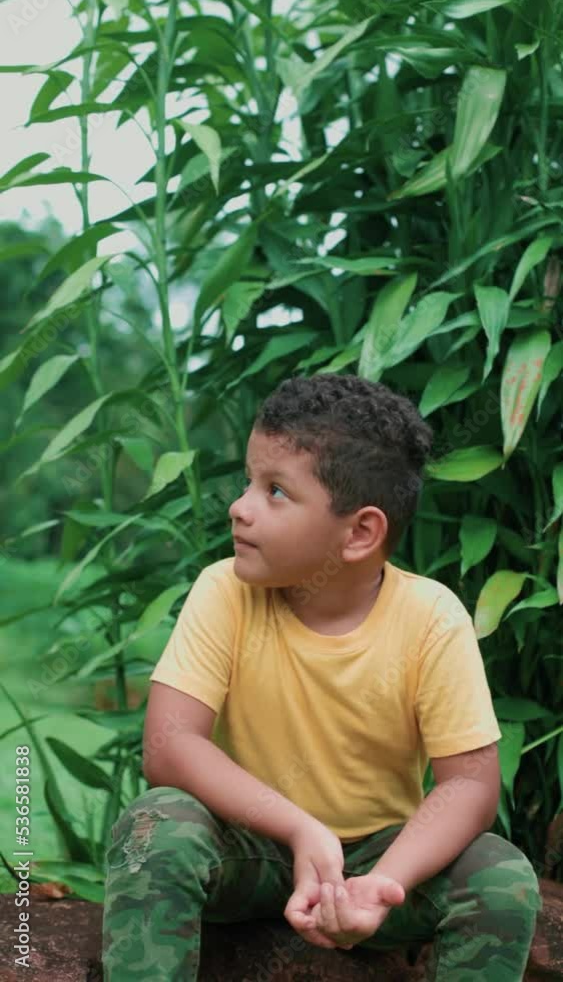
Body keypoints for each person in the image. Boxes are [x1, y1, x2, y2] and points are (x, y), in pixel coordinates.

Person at [102, 373, 541, 980]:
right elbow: (170, 746)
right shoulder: (224, 591)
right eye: (248, 482)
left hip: (379, 860)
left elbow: (469, 785)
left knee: (501, 875)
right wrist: (300, 829)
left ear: (360, 532)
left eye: (275, 491)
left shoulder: (432, 618)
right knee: (156, 823)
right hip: (250, 847)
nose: (240, 506)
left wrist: (386, 883)